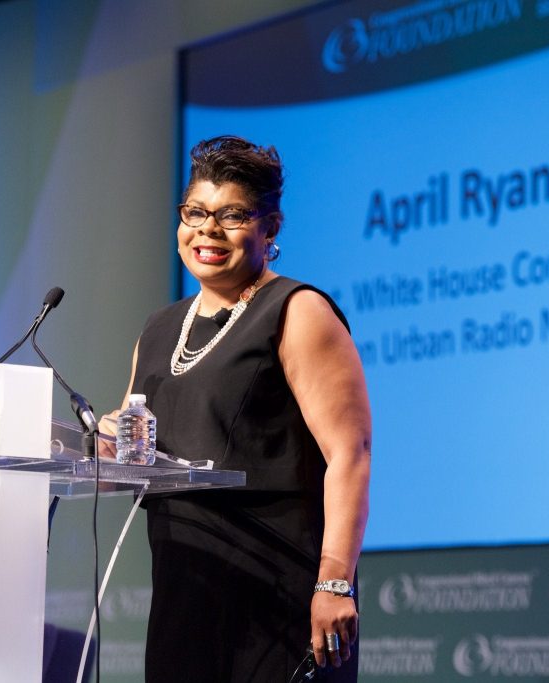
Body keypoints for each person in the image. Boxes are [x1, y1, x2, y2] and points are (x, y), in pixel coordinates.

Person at [103, 135, 371, 682]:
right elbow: (129, 446)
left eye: (232, 216)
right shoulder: (159, 329)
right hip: (185, 591)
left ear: (270, 229)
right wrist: (103, 438)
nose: (207, 230)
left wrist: (334, 581)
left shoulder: (297, 310)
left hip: (278, 595)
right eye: (195, 212)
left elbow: (350, 453)